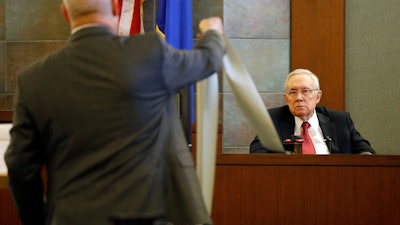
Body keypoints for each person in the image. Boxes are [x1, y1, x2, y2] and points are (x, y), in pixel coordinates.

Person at [4, 0, 226, 225]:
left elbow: (20, 167)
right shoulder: (149, 54)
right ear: (114, 8)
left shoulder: (33, 80)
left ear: (65, 14)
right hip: (144, 217)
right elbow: (206, 61)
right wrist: (213, 32)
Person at [250, 68, 375, 155]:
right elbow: (257, 155)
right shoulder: (272, 120)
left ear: (318, 96)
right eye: (293, 92)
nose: (299, 98)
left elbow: (365, 151)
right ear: (286, 99)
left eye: (305, 91)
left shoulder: (340, 120)